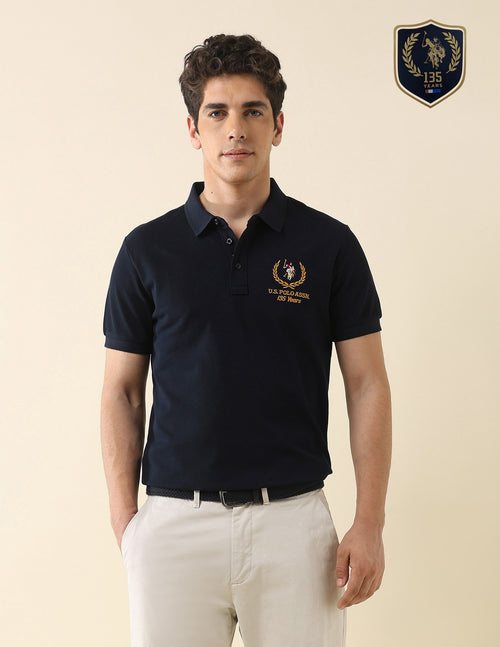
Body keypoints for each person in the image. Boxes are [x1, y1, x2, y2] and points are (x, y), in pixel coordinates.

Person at [100, 33, 391, 647]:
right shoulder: (146, 251)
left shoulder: (330, 245)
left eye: (253, 111)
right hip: (174, 526)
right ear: (193, 129)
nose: (236, 128)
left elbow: (367, 384)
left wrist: (369, 522)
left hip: (295, 526)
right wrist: (128, 526)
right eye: (217, 112)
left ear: (278, 125)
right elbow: (122, 392)